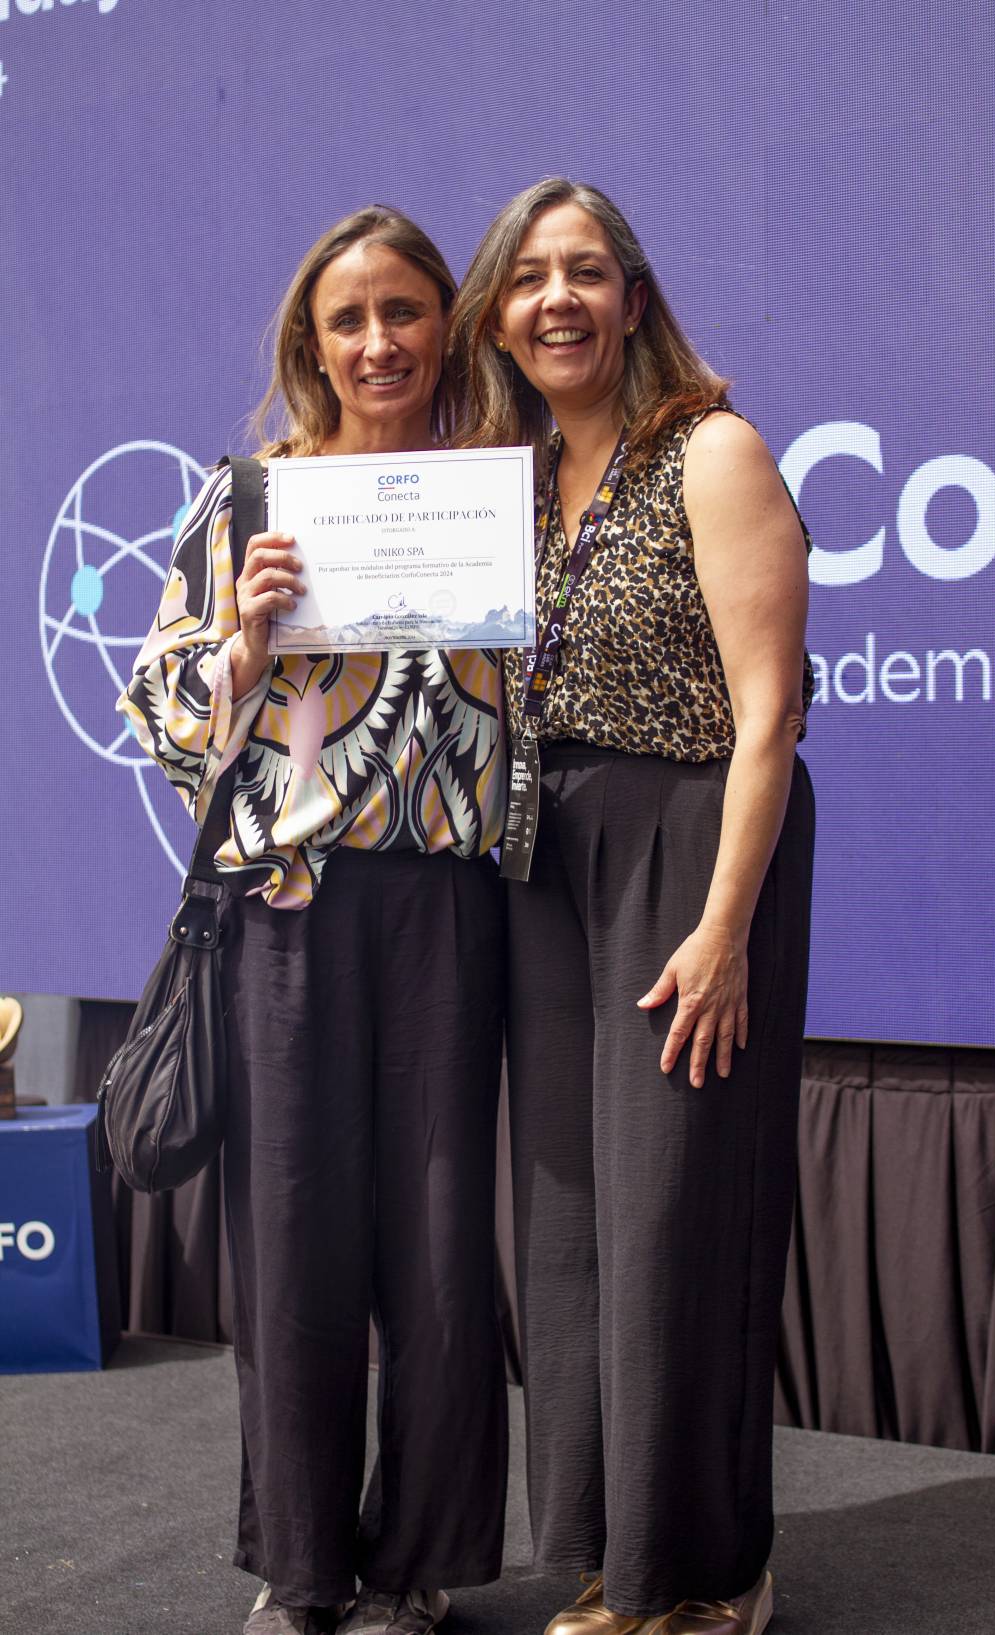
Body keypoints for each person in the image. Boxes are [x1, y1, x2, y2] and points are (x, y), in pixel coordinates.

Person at [119, 207, 508, 1635]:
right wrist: (240, 645)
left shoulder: (499, 496)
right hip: (286, 909)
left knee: (436, 1247)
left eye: (402, 311)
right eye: (347, 320)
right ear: (310, 346)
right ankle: (303, 1567)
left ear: (443, 327)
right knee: (290, 1247)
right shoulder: (245, 500)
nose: (376, 342)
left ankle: (414, 1566)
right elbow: (159, 712)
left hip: (452, 913)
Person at [448, 179, 816, 1635]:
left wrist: (724, 925)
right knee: (572, 1229)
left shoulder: (711, 452)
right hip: (545, 865)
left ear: (634, 300)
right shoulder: (512, 482)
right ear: (497, 312)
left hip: (689, 846)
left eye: (585, 273)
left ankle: (708, 1578)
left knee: (676, 1221)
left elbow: (768, 709)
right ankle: (616, 1554)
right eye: (529, 278)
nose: (556, 300)